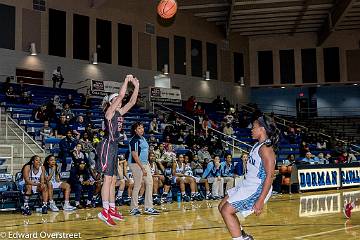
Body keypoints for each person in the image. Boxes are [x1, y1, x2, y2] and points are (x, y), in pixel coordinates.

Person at [218, 115, 279, 240]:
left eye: (254, 127)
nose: (251, 129)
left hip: (257, 187)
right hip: (247, 184)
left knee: (226, 211)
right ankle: (243, 236)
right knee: (221, 206)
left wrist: (261, 200)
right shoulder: (258, 145)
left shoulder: (266, 149)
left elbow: (270, 175)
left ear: (262, 129)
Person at [96, 75, 138, 226]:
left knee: (114, 180)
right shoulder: (109, 112)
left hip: (114, 147)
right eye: (116, 100)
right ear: (112, 102)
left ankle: (112, 209)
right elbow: (121, 96)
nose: (119, 101)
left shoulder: (119, 113)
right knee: (107, 179)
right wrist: (126, 81)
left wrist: (137, 85)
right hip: (106, 145)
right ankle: (104, 211)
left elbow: (132, 101)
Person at [128, 122, 160, 215]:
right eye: (139, 128)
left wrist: (147, 165)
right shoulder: (134, 140)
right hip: (136, 164)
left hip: (145, 164)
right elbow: (134, 155)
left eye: (142, 128)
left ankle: (149, 207)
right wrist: (142, 168)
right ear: (135, 130)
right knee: (138, 185)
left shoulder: (143, 138)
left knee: (150, 183)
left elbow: (145, 153)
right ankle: (133, 208)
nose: (141, 129)